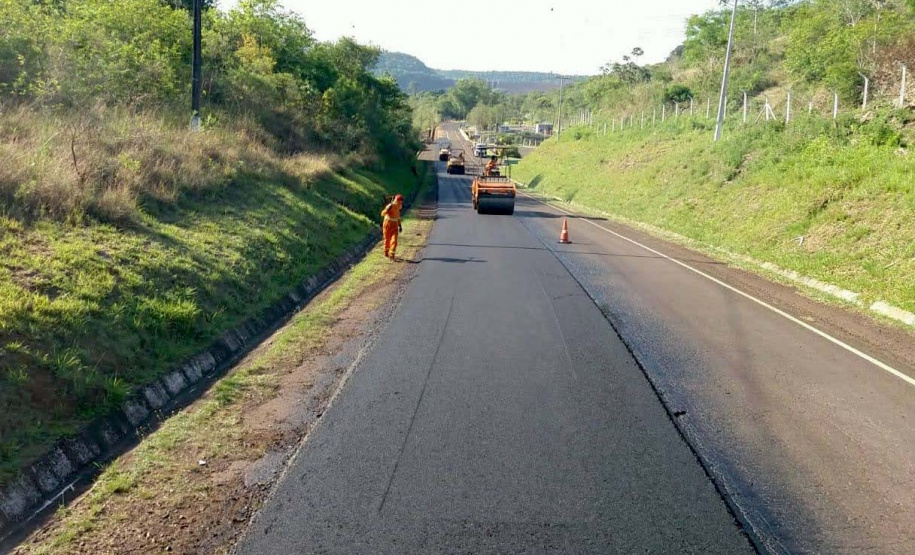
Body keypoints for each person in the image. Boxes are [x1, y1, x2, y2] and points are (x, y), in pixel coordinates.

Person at [381, 194, 404, 260]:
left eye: (401, 203)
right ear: (396, 200)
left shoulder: (398, 207)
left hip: (395, 225)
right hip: (387, 224)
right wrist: (388, 209)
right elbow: (382, 214)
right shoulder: (391, 205)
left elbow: (398, 217)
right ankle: (386, 252)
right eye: (399, 202)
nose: (400, 204)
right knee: (387, 239)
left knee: (394, 240)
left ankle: (391, 254)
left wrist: (400, 226)